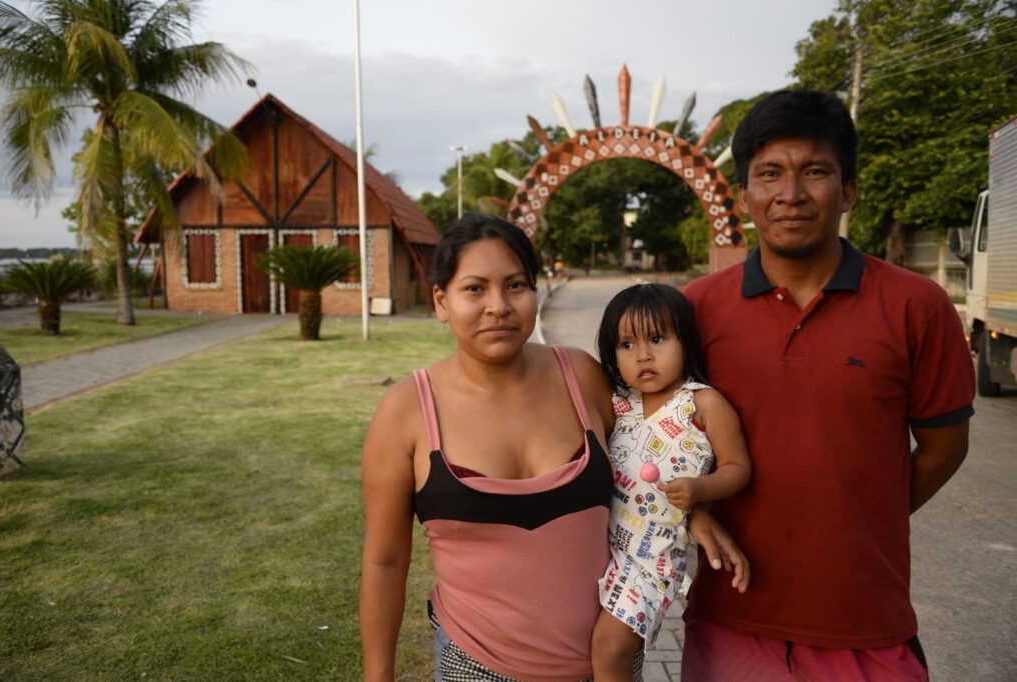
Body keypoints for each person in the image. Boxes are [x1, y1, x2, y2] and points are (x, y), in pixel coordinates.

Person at [359, 214, 748, 681]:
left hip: (606, 667)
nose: (499, 306)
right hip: (476, 666)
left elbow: (642, 452)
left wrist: (693, 508)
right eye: (475, 289)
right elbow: (385, 561)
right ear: (441, 301)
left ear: (536, 292)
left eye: (516, 285)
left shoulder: (580, 376)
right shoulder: (406, 412)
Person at [680, 90, 975, 680]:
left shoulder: (917, 306)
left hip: (866, 625)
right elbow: (654, 443)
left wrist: (863, 518)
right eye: (769, 174)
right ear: (744, 197)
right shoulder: (694, 310)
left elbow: (945, 447)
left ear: (849, 190)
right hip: (729, 623)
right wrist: (693, 516)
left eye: (815, 171)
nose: (791, 194)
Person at [589, 283, 751, 680]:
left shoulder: (703, 403)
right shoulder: (619, 403)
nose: (643, 355)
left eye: (657, 339)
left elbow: (737, 467)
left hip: (654, 555)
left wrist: (700, 490)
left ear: (685, 340)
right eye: (626, 345)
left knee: (610, 649)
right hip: (600, 547)